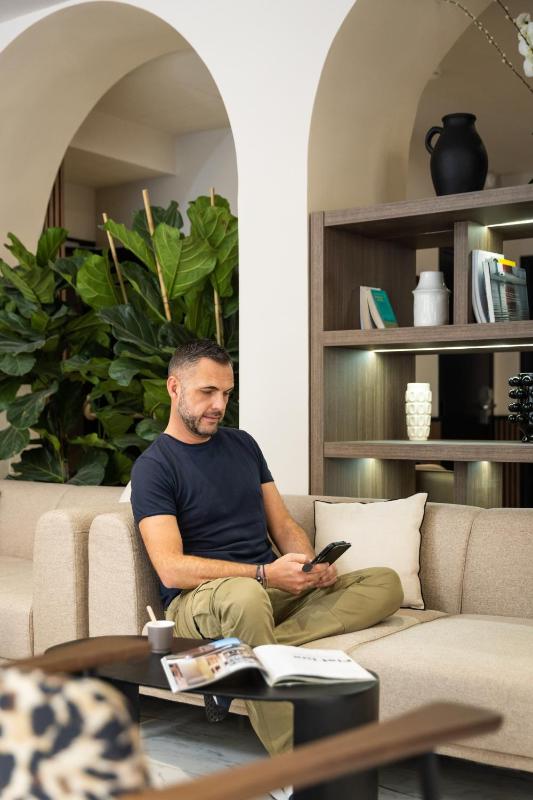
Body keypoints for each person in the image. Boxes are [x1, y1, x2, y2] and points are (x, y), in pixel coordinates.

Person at [131, 339, 403, 756]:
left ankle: (227, 661)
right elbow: (171, 569)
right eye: (208, 392)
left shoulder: (243, 444)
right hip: (203, 601)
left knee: (384, 583)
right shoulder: (154, 467)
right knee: (245, 596)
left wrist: (308, 565)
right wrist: (263, 574)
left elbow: (284, 526)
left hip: (266, 592)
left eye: (226, 393)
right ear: (174, 387)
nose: (219, 405)